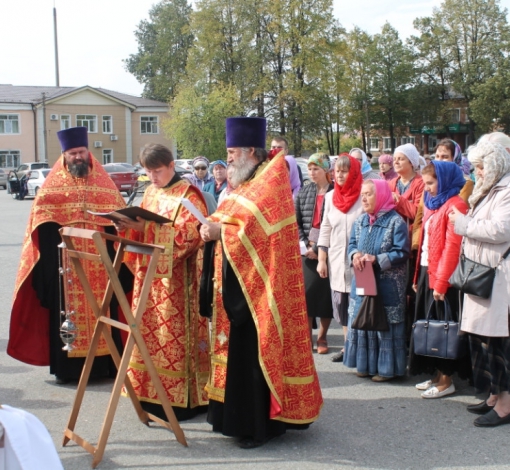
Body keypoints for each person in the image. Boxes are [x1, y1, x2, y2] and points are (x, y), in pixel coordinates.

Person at [200, 117, 322, 449]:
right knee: (238, 354)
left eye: (232, 152)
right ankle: (232, 418)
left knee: (254, 356)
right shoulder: (249, 182)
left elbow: (251, 230)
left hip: (262, 292)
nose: (229, 160)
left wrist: (219, 231)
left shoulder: (270, 182)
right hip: (240, 285)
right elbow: (233, 215)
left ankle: (258, 426)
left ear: (251, 151)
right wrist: (211, 224)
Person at [7, 126, 128, 383]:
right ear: (64, 155)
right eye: (72, 153)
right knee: (67, 314)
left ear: (88, 152)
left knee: (105, 311)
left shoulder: (105, 184)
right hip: (66, 268)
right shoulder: (52, 187)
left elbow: (120, 221)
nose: (77, 157)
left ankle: (106, 367)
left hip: (101, 268)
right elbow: (40, 223)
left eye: (81, 152)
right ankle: (69, 370)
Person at [115, 143, 210, 421]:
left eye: (157, 171)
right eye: (148, 172)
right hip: (149, 280)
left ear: (171, 165)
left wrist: (145, 228)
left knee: (172, 341)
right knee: (150, 337)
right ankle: (150, 395)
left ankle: (183, 402)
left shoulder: (189, 195)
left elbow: (188, 238)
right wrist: (127, 226)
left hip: (177, 285)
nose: (153, 177)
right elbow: (143, 229)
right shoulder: (151, 192)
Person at [449, 140, 510, 427]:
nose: (479, 172)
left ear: (496, 164)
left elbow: (501, 229)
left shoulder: (507, 189)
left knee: (497, 342)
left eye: (482, 166)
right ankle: (493, 396)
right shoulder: (489, 189)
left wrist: (464, 225)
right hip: (481, 274)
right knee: (482, 341)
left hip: (498, 279)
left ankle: (505, 405)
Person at [409, 161, 471, 398]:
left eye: (431, 183)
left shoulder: (455, 204)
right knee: (430, 324)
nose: (428, 189)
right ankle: (436, 374)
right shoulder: (434, 204)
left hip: (443, 275)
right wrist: (418, 276)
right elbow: (424, 243)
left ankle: (447, 379)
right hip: (428, 271)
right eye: (425, 184)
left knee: (443, 326)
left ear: (444, 180)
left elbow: (452, 249)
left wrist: (441, 282)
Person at [344, 179, 410, 381]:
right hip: (363, 282)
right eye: (362, 194)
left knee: (384, 324)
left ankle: (385, 370)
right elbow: (352, 244)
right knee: (363, 318)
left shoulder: (395, 222)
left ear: (380, 195)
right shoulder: (361, 220)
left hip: (386, 285)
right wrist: (354, 255)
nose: (364, 198)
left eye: (369, 194)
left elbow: (402, 251)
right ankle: (364, 365)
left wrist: (377, 259)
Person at [317, 154, 364, 362]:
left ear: (353, 172)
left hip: (361, 261)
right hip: (336, 258)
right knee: (341, 303)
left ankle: (361, 348)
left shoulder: (364, 194)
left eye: (345, 171)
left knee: (361, 302)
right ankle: (347, 346)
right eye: (337, 171)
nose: (340, 175)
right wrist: (321, 258)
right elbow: (325, 228)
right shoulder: (330, 197)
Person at [295, 153, 334, 354]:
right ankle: (307, 338)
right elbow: (297, 221)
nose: (312, 172)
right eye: (309, 168)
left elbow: (334, 224)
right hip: (307, 251)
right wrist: (306, 246)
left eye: (316, 168)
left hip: (327, 251)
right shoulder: (305, 191)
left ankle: (323, 337)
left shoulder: (336, 191)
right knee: (307, 295)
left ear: (326, 170)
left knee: (326, 297)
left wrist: (319, 249)